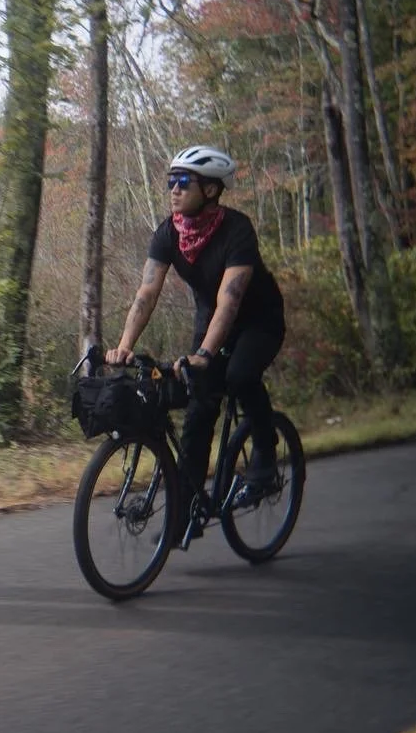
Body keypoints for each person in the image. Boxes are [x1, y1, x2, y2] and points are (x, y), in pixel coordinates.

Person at [105, 145, 287, 541]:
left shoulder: (237, 230)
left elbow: (230, 299)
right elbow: (146, 292)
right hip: (211, 322)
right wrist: (123, 346)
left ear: (209, 190)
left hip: (258, 320)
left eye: (183, 182)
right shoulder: (169, 232)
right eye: (170, 181)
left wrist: (206, 353)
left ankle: (265, 452)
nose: (173, 189)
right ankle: (184, 513)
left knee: (239, 375)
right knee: (199, 406)